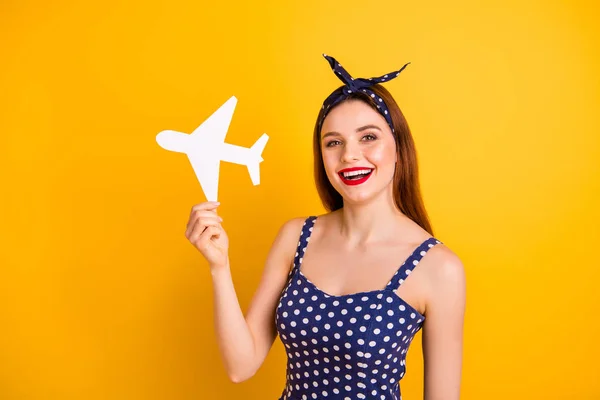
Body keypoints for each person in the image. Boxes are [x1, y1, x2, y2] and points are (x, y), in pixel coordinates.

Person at [184, 54, 466, 400]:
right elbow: (241, 366)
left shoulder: (439, 268)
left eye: (368, 137)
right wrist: (218, 265)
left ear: (399, 148)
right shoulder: (296, 236)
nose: (349, 155)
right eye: (334, 142)